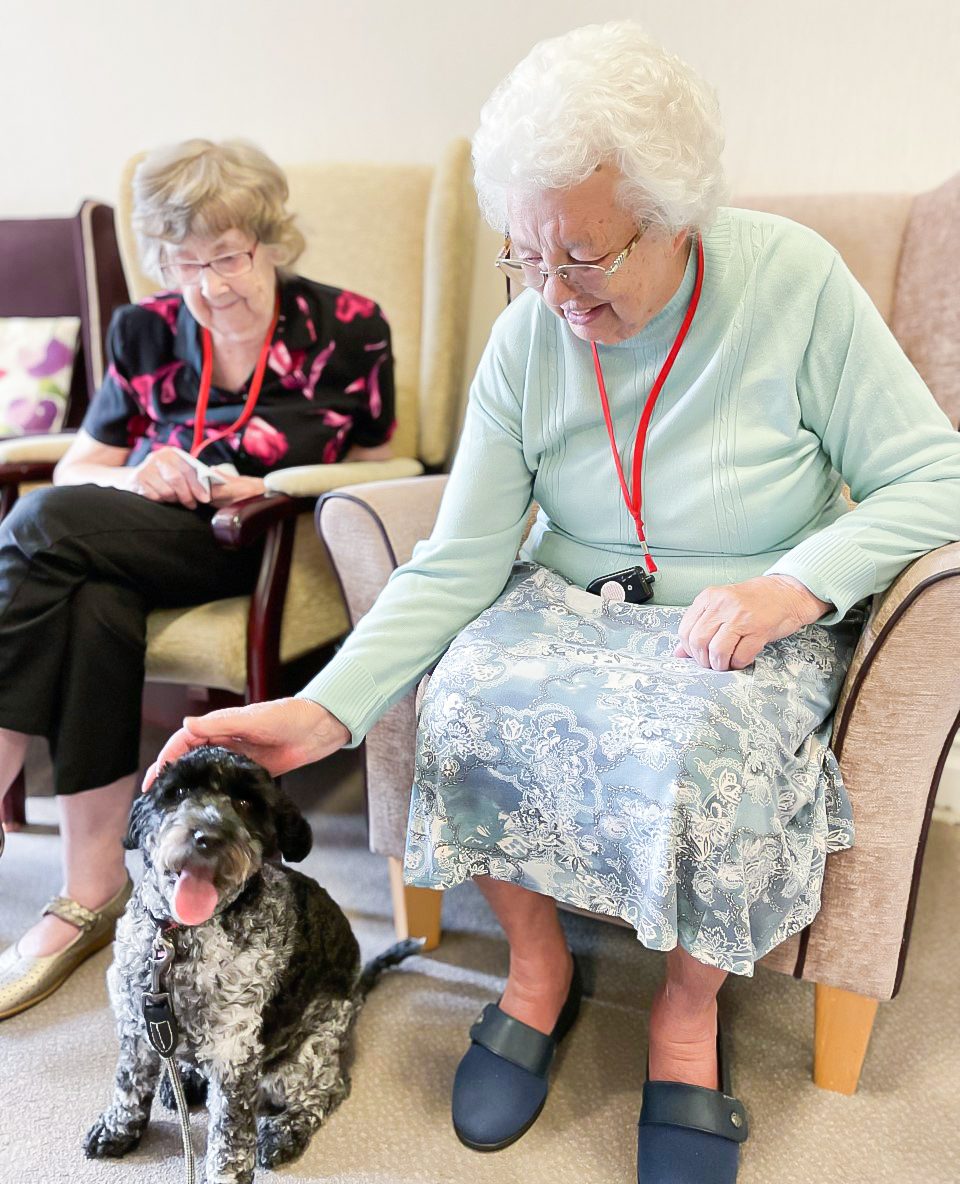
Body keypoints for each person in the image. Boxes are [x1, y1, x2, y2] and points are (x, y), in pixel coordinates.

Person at [150, 24, 960, 1184]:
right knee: (470, 694)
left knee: (705, 747)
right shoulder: (531, 327)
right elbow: (461, 554)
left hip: (746, 603)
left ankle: (687, 1012)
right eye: (528, 258)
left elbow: (938, 470)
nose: (554, 294)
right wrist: (323, 709)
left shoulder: (792, 282)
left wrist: (796, 585)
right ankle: (537, 968)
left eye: (584, 256)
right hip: (573, 595)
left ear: (677, 218)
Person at [0, 138, 395, 1020]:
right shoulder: (141, 329)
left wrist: (278, 482)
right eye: (187, 266)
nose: (212, 286)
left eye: (229, 257)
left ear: (271, 240)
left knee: (29, 527)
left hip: (255, 540)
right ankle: (90, 889)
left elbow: (389, 460)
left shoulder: (349, 326)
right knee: (90, 596)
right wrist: (142, 471)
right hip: (129, 536)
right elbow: (78, 466)